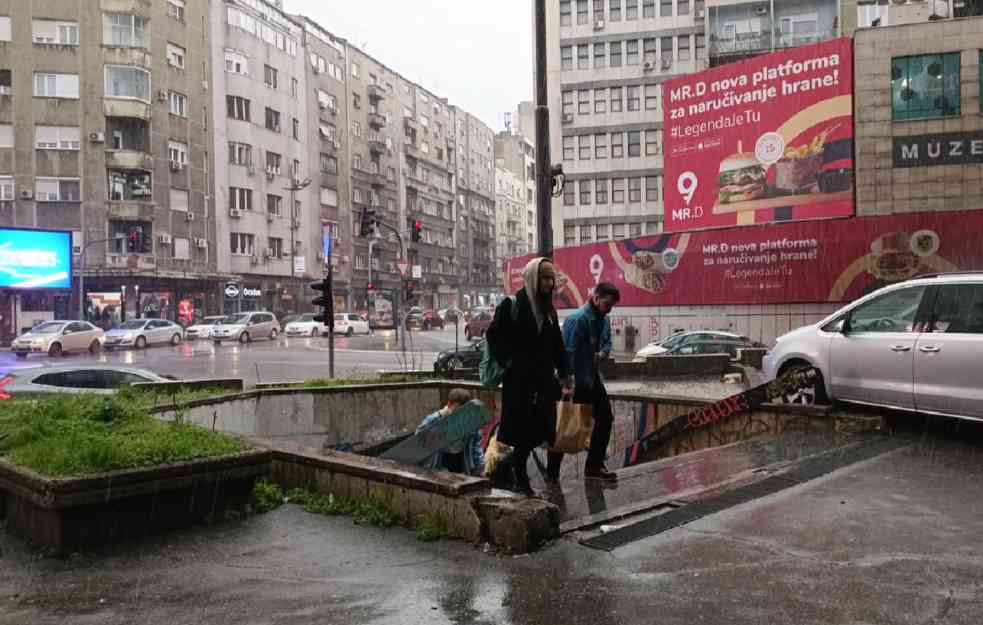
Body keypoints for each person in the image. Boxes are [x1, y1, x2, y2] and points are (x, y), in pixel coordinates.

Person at [486, 257, 573, 496]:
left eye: (550, 278)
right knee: (522, 430)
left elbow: (557, 345)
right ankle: (520, 476)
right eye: (544, 278)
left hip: (544, 381)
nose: (548, 283)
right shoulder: (512, 304)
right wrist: (510, 362)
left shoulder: (549, 311)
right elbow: (494, 336)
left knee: (543, 429)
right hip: (520, 382)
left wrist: (566, 374)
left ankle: (515, 469)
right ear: (533, 279)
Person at [549, 282, 621, 483]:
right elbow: (567, 353)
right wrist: (567, 384)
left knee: (605, 418)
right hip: (573, 380)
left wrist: (603, 353)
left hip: (591, 377)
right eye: (607, 304)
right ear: (596, 297)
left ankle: (594, 466)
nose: (609, 308)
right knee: (563, 426)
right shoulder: (577, 320)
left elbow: (607, 342)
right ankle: (552, 474)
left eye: (612, 305)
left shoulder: (604, 319)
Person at [416, 388, 485, 476]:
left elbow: (476, 448)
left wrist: (480, 468)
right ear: (449, 405)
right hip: (439, 466)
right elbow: (418, 437)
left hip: (462, 467)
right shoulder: (435, 419)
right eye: (458, 410)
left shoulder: (471, 423)